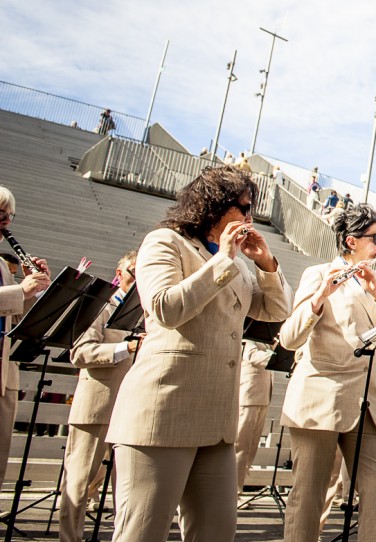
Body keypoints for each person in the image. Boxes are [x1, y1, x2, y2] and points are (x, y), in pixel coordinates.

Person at [106, 165, 293, 541]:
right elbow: (165, 308)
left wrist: (266, 265)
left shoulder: (239, 264)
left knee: (216, 531)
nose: (248, 218)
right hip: (164, 411)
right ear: (214, 205)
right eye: (243, 207)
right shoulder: (164, 242)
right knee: (142, 531)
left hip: (217, 422)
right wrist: (222, 260)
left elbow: (275, 311)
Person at [278, 203, 376, 542]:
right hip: (321, 399)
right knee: (309, 496)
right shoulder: (317, 274)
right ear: (350, 241)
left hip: (368, 403)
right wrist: (319, 299)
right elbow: (289, 338)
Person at [57, 251, 139, 542]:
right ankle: (69, 538)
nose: (137, 277)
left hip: (132, 409)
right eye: (132, 270)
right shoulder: (101, 303)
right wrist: (124, 349)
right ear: (119, 269)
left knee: (127, 487)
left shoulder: (145, 311)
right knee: (79, 482)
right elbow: (79, 352)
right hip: (98, 403)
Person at [0, 188, 50, 489]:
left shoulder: (2, 267)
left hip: (4, 372)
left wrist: (38, 289)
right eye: (1, 214)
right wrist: (21, 290)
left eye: (10, 216)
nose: (6, 222)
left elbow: (15, 316)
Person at [234, 340, 275, 490]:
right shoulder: (249, 337)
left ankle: (239, 487)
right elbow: (252, 356)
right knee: (240, 448)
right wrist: (276, 357)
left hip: (263, 398)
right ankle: (233, 492)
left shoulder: (267, 342)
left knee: (250, 449)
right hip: (249, 396)